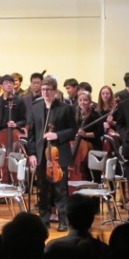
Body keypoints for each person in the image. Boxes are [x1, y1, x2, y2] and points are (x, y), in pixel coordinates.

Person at [25, 77, 75, 232]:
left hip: (59, 156)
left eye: (48, 89)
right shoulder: (35, 108)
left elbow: (73, 130)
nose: (45, 92)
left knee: (60, 190)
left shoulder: (65, 108)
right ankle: (44, 220)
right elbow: (31, 134)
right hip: (41, 155)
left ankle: (63, 220)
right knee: (43, 189)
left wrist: (57, 135)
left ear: (54, 91)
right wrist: (31, 154)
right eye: (43, 89)